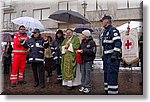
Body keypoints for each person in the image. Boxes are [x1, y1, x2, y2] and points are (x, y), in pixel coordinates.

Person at [100, 15, 122, 94]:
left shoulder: (113, 30)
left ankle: (113, 93)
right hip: (106, 58)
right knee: (106, 75)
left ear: (107, 21)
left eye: (102, 21)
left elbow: (118, 42)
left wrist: (115, 54)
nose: (102, 22)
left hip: (112, 58)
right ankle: (107, 91)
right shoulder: (105, 32)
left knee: (112, 75)